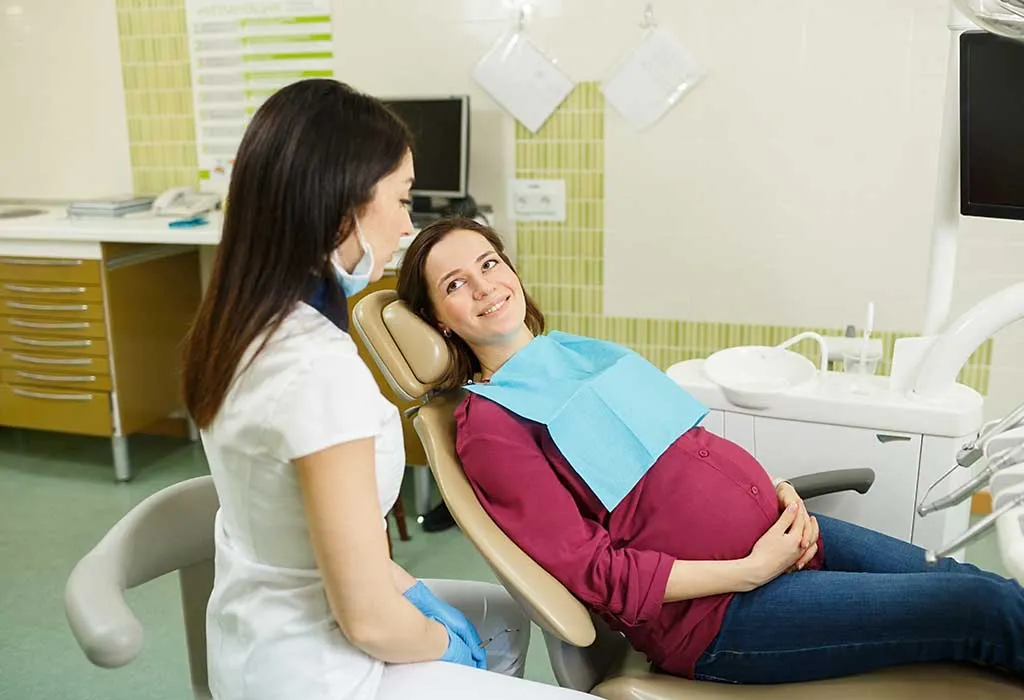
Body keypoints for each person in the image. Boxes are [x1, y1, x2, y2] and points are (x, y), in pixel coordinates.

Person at [396, 216, 1024, 686]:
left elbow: (686, 446)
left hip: (786, 533)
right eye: (456, 283)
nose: (485, 286)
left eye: (489, 263)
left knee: (971, 582)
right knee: (984, 606)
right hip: (722, 614)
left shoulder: (570, 353)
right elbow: (595, 572)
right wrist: (749, 570)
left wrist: (775, 493)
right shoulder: (491, 426)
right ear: (442, 320)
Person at [181, 80, 591, 700]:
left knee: (500, 618)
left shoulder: (235, 328)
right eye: (401, 199)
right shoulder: (318, 372)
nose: (406, 224)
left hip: (256, 628)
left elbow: (320, 532)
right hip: (319, 672)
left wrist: (421, 603)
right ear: (341, 209)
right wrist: (441, 643)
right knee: (483, 641)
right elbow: (369, 620)